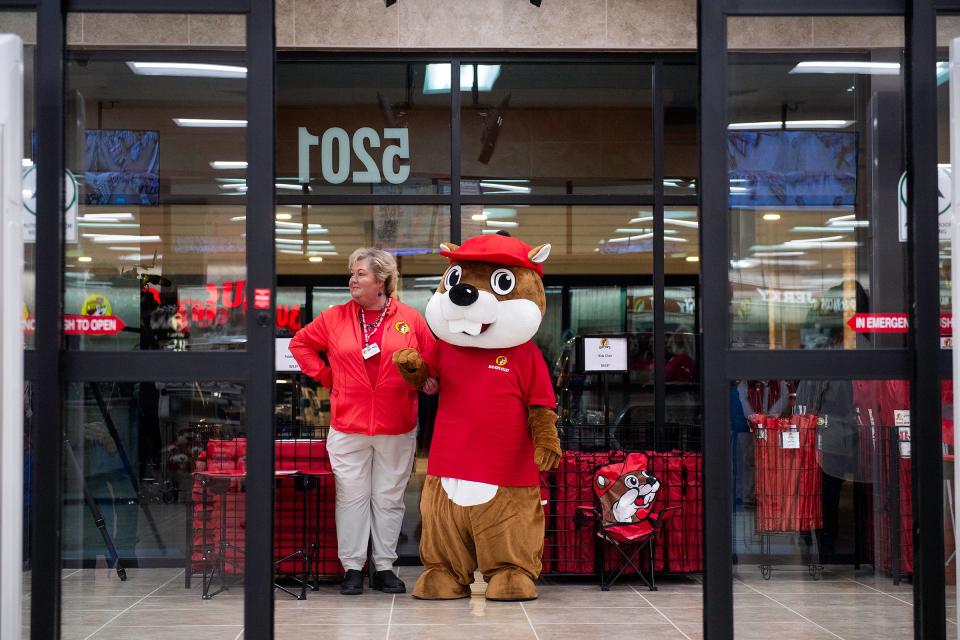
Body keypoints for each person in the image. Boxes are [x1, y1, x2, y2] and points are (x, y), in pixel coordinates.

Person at [289, 248, 438, 595]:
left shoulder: (410, 319)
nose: (352, 280)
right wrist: (328, 377)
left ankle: (384, 567)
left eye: (360, 274)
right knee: (352, 497)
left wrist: (430, 379)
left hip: (397, 423)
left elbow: (432, 359)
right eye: (352, 273)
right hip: (347, 425)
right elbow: (300, 345)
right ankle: (353, 568)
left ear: (381, 280)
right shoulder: (335, 317)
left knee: (389, 498)